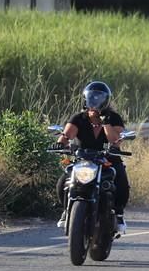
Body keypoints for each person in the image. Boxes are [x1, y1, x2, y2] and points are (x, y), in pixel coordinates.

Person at [55, 81, 130, 234]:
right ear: (86, 99)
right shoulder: (79, 118)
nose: (95, 101)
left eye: (99, 97)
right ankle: (65, 210)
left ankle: (119, 214)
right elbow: (66, 136)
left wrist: (105, 123)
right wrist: (60, 144)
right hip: (83, 159)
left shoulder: (114, 118)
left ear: (106, 100)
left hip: (108, 159)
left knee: (121, 179)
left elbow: (115, 141)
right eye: (92, 97)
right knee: (63, 181)